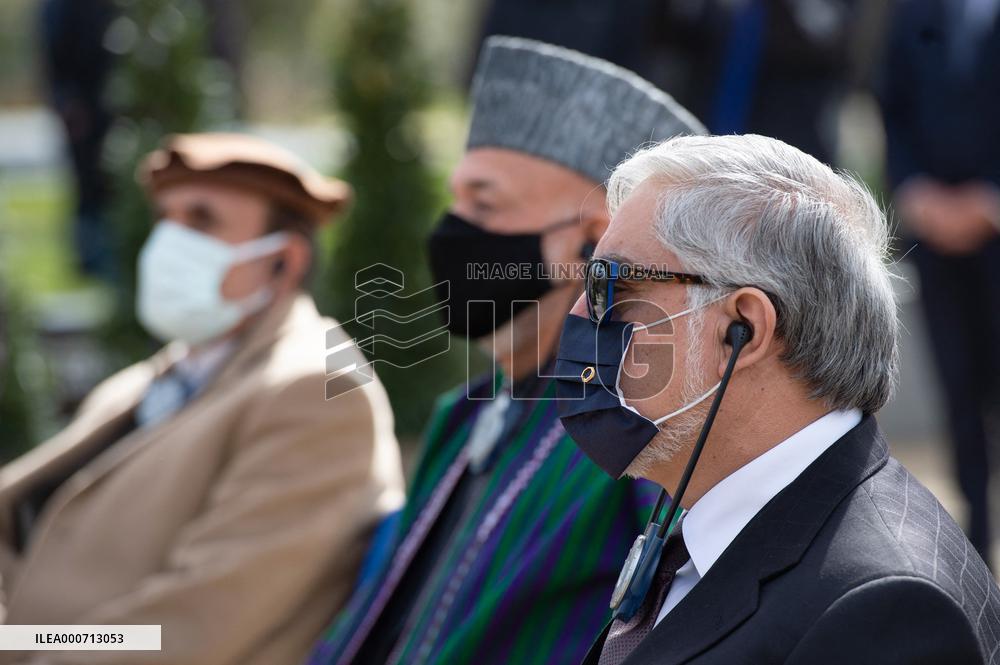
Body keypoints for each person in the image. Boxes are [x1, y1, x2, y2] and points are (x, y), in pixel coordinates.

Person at [307, 37, 705, 665]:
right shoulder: (465, 412)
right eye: (455, 200)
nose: (450, 231)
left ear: (594, 239)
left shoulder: (639, 433)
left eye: (484, 204)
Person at [556, 134, 1000, 664]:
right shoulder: (713, 527)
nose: (580, 313)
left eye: (610, 286)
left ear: (742, 328)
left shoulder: (884, 612)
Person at [0, 133, 405, 664]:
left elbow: (186, 628)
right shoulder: (162, 372)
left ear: (283, 261)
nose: (169, 242)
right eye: (164, 217)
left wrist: (25, 648)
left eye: (202, 220)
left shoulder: (321, 385)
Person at [879, 0, 1000, 563]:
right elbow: (892, 106)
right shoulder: (915, 14)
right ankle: (977, 530)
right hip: (934, 236)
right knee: (957, 383)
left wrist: (990, 201)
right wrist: (914, 192)